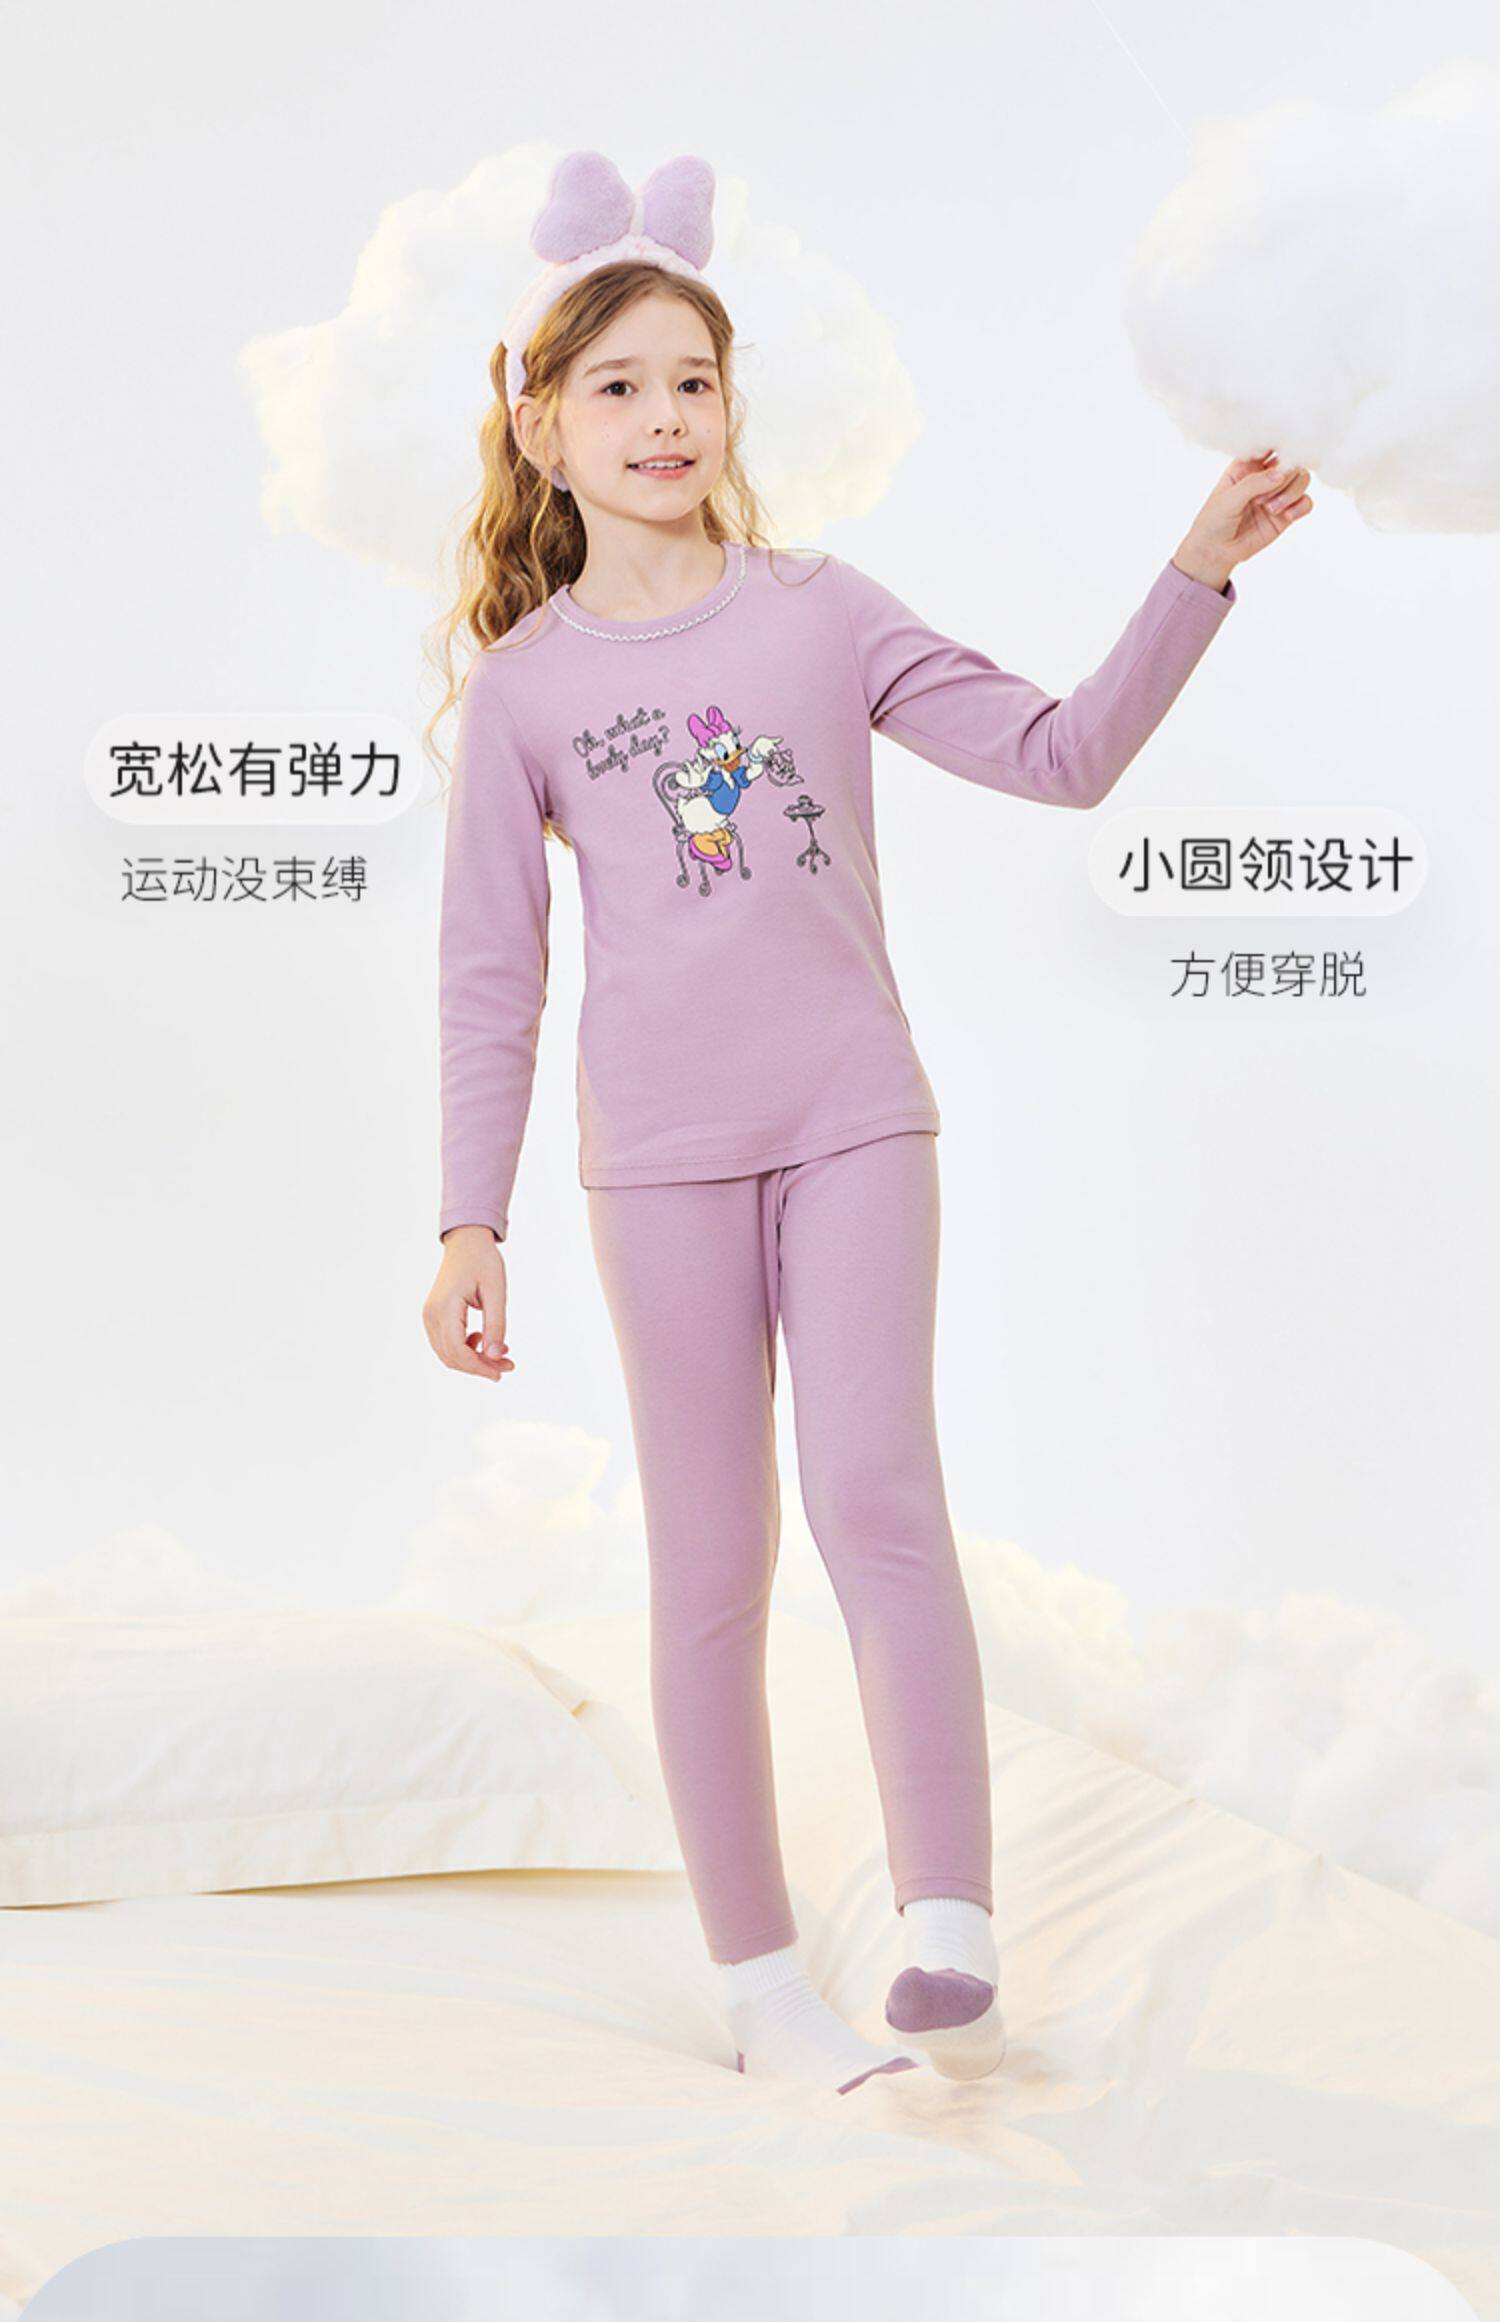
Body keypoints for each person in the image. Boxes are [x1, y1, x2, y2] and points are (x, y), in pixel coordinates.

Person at [421, 148, 1312, 2096]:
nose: (666, 417)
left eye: (695, 380)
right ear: (545, 425)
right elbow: (492, 974)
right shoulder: (525, 696)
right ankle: (763, 1992)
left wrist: (1197, 570)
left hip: (852, 1126)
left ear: (734, 407)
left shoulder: (822, 614)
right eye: (619, 385)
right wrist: (468, 1217)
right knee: (712, 1562)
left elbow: (1063, 755)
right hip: (658, 1163)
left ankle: (949, 1922)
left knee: (879, 1494)